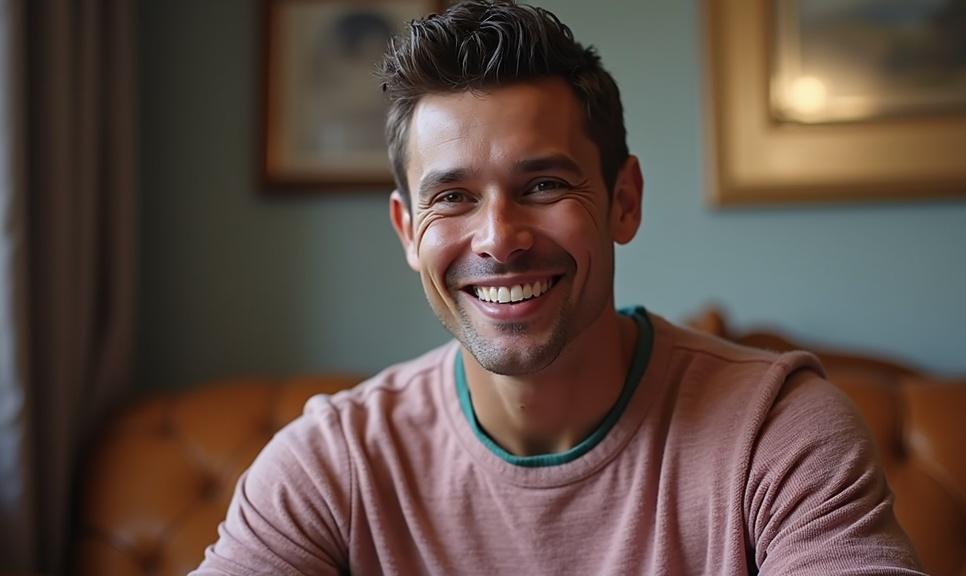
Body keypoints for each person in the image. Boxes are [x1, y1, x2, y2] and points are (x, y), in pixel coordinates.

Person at [194, 1, 924, 574]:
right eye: (452, 197)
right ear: (406, 232)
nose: (498, 238)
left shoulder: (779, 432)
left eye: (542, 184)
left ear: (624, 201)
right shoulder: (332, 460)